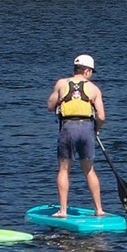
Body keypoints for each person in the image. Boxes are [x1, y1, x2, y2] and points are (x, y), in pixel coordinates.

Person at [47, 54, 106, 219]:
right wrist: (96, 129)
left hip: (68, 128)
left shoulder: (61, 83)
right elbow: (101, 116)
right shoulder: (94, 89)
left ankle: (63, 210)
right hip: (87, 128)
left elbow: (50, 106)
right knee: (89, 170)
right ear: (87, 71)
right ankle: (99, 209)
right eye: (91, 71)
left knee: (64, 170)